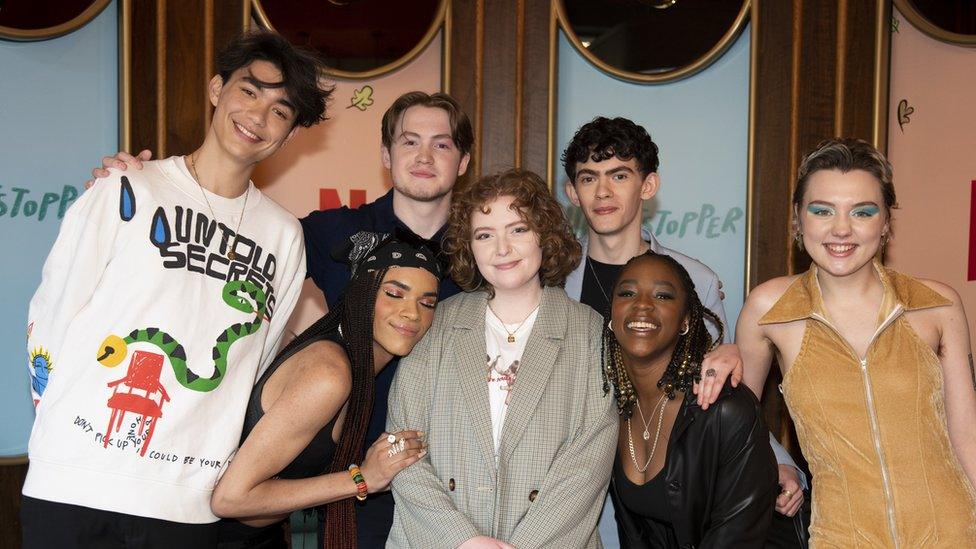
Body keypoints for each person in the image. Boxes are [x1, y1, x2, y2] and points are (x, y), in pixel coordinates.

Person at [88, 90, 473, 547]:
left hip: (447, 473)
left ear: (464, 161)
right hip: (341, 469)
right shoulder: (329, 233)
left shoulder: (485, 250)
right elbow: (223, 249)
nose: (424, 156)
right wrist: (145, 186)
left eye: (442, 144)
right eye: (409, 141)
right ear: (386, 154)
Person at [22, 30, 329, 547]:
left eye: (281, 111)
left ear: (292, 133)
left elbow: (256, 357)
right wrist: (59, 430)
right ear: (216, 89)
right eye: (249, 91)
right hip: (74, 480)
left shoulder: (283, 236)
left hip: (185, 499)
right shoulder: (128, 187)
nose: (258, 116)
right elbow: (54, 307)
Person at [560, 116, 807, 538]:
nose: (602, 192)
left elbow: (717, 398)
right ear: (572, 192)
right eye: (588, 178)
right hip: (571, 491)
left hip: (663, 498)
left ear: (648, 185)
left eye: (619, 175)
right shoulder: (551, 278)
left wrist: (779, 461)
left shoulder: (695, 281)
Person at [736, 138, 976, 546]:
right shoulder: (768, 308)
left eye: (862, 212)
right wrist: (775, 464)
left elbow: (966, 433)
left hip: (952, 531)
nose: (841, 229)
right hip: (841, 535)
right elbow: (736, 424)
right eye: (822, 210)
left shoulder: (937, 304)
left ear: (886, 223)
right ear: (798, 219)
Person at [386, 169, 617, 548]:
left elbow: (588, 464)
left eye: (518, 229)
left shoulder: (589, 331)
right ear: (469, 246)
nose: (502, 248)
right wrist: (462, 540)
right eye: (484, 235)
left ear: (545, 234)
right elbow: (402, 445)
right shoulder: (436, 323)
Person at [212, 232, 441, 548]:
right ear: (363, 293)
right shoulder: (329, 374)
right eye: (394, 294)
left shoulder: (355, 370)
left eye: (427, 303)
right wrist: (362, 479)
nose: (412, 313)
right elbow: (230, 499)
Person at [605, 251, 777, 548]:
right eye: (627, 292)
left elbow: (739, 539)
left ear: (686, 321)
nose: (642, 304)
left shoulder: (726, 410)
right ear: (612, 314)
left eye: (662, 296)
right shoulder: (610, 407)